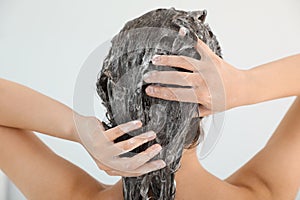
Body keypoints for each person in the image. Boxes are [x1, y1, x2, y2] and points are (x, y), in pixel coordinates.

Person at [1, 8, 300, 200]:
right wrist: (246, 86)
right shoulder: (266, 192)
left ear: (108, 94)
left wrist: (79, 129)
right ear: (207, 104)